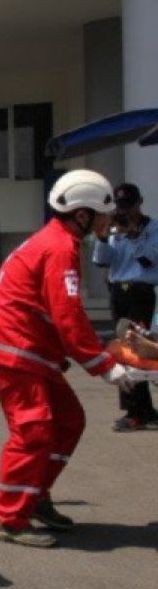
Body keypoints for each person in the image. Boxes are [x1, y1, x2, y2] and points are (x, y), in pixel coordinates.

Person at [0, 170, 135, 547]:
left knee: (68, 421)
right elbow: (68, 317)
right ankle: (8, 518)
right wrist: (104, 367)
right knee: (34, 431)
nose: (108, 221)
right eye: (102, 214)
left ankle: (33, 496)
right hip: (15, 353)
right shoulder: (59, 248)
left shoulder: (58, 242)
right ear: (81, 215)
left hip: (26, 352)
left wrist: (101, 353)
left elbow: (66, 315)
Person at [91, 181, 158, 431]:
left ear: (140, 203)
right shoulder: (115, 229)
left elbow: (149, 261)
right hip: (119, 291)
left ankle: (136, 412)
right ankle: (142, 409)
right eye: (121, 207)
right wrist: (103, 238)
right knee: (122, 349)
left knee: (136, 349)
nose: (125, 212)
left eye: (128, 206)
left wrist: (134, 235)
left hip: (141, 292)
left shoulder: (153, 229)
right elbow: (100, 261)